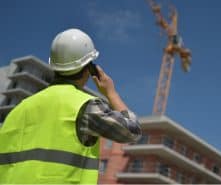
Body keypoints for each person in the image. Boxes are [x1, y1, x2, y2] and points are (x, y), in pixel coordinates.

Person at [0, 28, 142, 184]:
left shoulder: (20, 109)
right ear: (89, 68)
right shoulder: (86, 107)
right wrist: (111, 93)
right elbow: (132, 131)